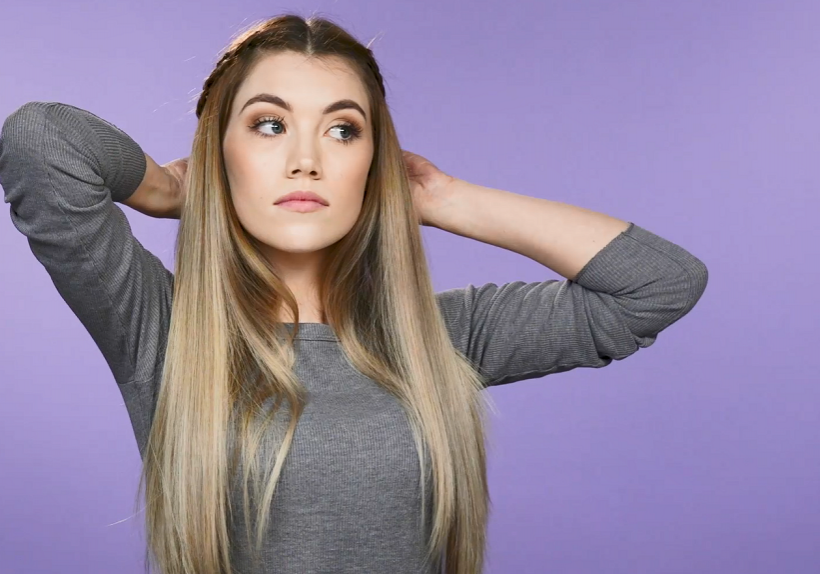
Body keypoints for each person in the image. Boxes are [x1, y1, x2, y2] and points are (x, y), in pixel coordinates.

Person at [0, 12, 708, 574]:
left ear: (373, 161)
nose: (306, 160)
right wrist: (170, 188)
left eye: (343, 130)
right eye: (269, 125)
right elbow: (40, 139)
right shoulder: (165, 333)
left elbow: (658, 284)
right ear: (222, 150)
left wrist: (442, 197)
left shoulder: (438, 338)